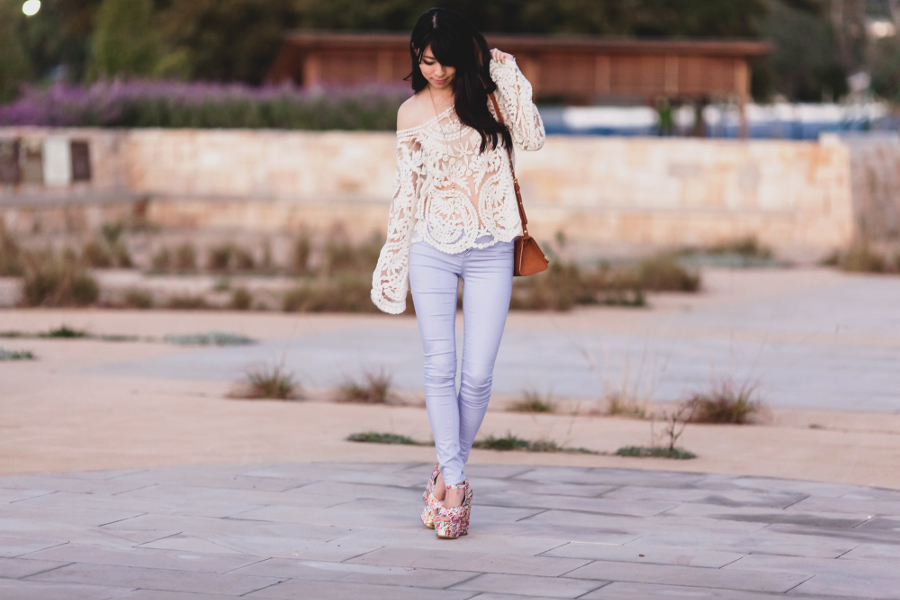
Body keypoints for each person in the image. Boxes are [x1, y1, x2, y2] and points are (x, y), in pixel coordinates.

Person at [370, 7, 545, 539]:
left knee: (478, 376)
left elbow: (533, 138)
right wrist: (392, 261)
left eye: (446, 61)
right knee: (439, 368)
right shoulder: (409, 114)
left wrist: (509, 72)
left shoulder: (490, 97)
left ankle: (447, 471)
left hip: (492, 248)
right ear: (415, 57)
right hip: (432, 249)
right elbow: (405, 195)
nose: (438, 71)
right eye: (428, 61)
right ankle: (456, 483)